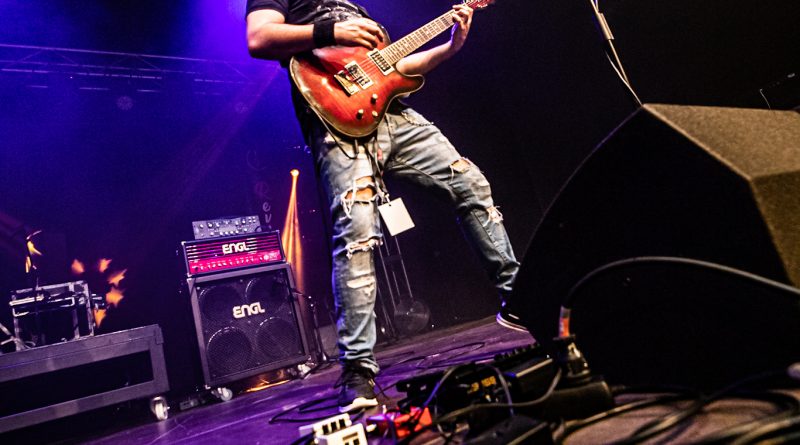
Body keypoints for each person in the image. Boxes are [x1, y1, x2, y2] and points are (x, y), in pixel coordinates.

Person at [246, 0, 524, 412]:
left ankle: (519, 300)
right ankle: (357, 369)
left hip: (394, 116)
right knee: (357, 235)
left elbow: (397, 69)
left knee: (470, 183)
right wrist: (331, 32)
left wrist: (450, 47)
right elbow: (259, 38)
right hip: (338, 125)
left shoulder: (355, 7)